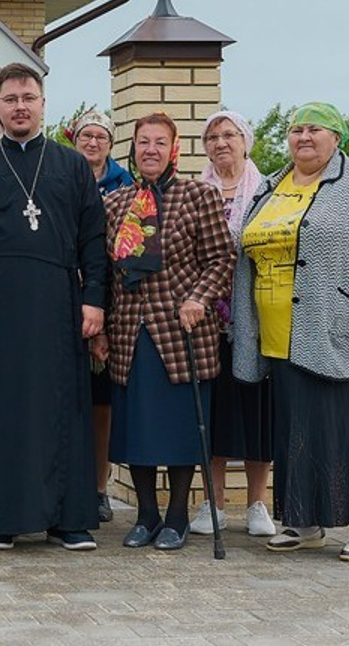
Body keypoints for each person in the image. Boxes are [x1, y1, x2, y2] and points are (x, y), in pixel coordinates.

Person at [232, 103, 349, 562]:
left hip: (347, 329)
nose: (303, 137)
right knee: (298, 429)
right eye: (296, 130)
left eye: (315, 129)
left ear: (337, 136)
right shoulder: (274, 185)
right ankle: (303, 520)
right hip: (281, 334)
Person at [0, 65, 107, 552]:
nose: (20, 106)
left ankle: (68, 519)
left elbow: (93, 240)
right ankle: (0, 520)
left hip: (58, 303)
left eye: (28, 97)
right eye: (11, 98)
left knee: (64, 408)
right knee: (0, 410)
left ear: (42, 104)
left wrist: (94, 298)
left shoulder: (71, 165)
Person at [98, 112, 234, 552]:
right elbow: (104, 270)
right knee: (136, 429)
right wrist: (100, 323)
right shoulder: (117, 203)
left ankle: (176, 515)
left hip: (181, 329)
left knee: (177, 430)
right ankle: (145, 515)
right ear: (132, 149)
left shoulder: (199, 195)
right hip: (129, 330)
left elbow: (221, 259)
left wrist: (199, 297)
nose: (150, 150)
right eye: (143, 142)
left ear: (174, 148)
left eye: (160, 142)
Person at [189, 110, 275, 539]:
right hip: (206, 322)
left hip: (255, 318)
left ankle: (259, 502)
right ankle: (214, 502)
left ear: (246, 140)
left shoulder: (267, 191)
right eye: (212, 136)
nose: (221, 143)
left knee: (257, 410)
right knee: (215, 410)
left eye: (229, 134)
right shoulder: (195, 192)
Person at [65, 106, 133, 524]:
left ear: (111, 143)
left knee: (100, 403)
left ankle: (99, 487)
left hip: (108, 298)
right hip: (62, 295)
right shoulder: (60, 174)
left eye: (101, 137)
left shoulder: (124, 185)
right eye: (86, 136)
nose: (93, 143)